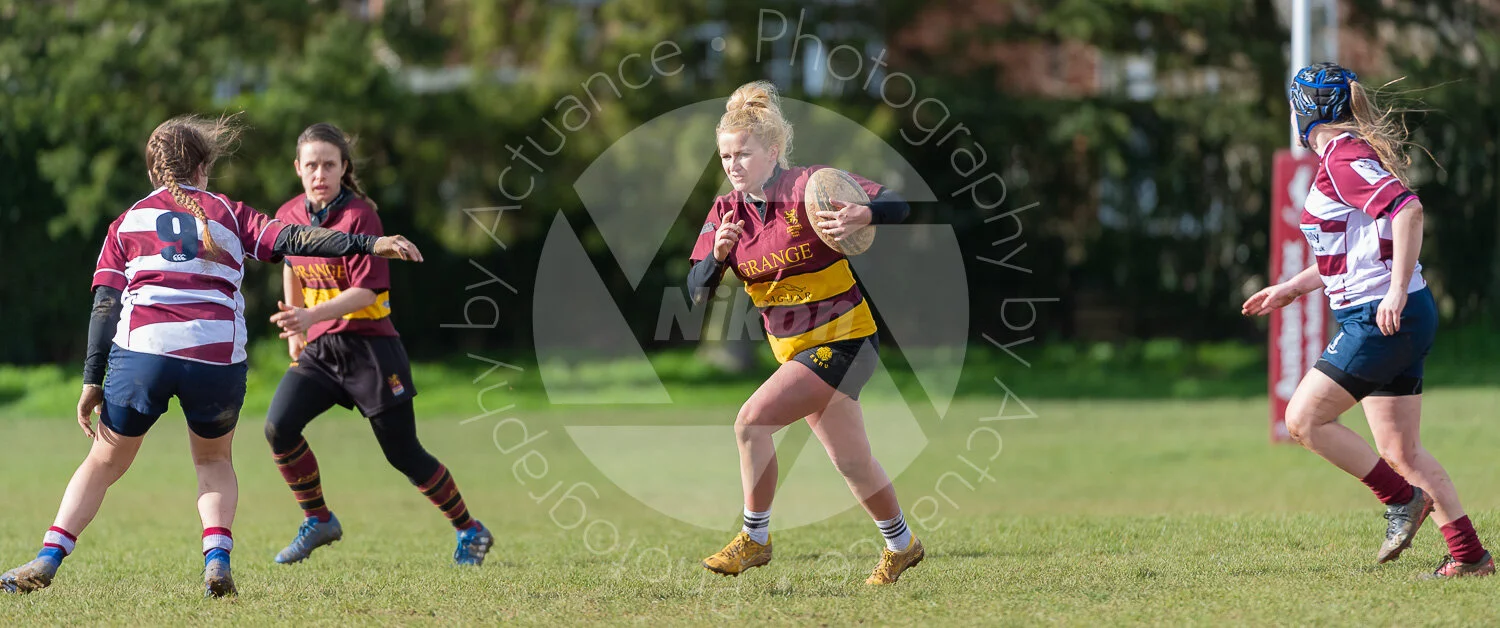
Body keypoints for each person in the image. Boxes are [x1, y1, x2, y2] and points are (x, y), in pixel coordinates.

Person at [0, 115, 424, 597]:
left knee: (103, 462)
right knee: (213, 462)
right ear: (204, 168)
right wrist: (372, 243)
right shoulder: (230, 213)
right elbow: (295, 238)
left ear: (154, 172)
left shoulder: (127, 223)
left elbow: (104, 306)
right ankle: (216, 561)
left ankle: (48, 557)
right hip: (216, 358)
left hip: (145, 355)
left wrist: (91, 380)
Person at [1243, 62, 1492, 578]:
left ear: (1305, 112)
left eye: (1293, 106)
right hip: (1395, 313)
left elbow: (1408, 212)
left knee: (1305, 419)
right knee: (1400, 449)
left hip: (1381, 317)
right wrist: (1292, 287)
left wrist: (1396, 291)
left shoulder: (1343, 158)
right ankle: (1470, 558)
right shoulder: (1343, 157)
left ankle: (1403, 502)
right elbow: (1357, 252)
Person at [689, 81, 920, 585]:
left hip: (846, 339)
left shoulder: (812, 186)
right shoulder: (723, 213)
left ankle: (755, 537)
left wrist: (865, 211)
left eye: (742, 153)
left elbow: (898, 204)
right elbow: (696, 288)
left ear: (772, 152)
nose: (732, 164)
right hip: (797, 352)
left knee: (751, 422)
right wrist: (717, 257)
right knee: (853, 462)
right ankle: (902, 545)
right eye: (725, 155)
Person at [261, 123, 492, 567]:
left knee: (404, 454)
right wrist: (297, 331)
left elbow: (367, 294)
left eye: (329, 164)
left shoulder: (362, 217)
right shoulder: (287, 214)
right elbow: (289, 262)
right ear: (297, 168)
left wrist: (310, 317)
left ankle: (470, 529)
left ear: (344, 167)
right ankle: (319, 519)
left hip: (371, 350)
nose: (320, 173)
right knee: (279, 428)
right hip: (322, 353)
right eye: (311, 165)